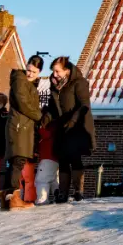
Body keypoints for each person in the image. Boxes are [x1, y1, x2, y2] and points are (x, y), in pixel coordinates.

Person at [49, 56, 96, 202]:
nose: (54, 74)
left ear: (67, 70)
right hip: (61, 127)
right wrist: (54, 91)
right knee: (63, 159)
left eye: (57, 71)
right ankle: (63, 192)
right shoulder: (57, 87)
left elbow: (84, 105)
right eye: (53, 72)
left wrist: (73, 120)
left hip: (76, 127)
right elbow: (54, 108)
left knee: (75, 158)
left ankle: (78, 191)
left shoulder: (79, 83)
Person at [2, 55, 43, 210]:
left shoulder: (29, 85)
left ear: (39, 72)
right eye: (29, 70)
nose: (30, 74)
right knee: (17, 161)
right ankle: (13, 200)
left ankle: (7, 200)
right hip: (19, 127)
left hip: (23, 127)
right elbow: (22, 103)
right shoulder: (20, 80)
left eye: (34, 72)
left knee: (15, 163)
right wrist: (39, 116)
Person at [35, 109, 60, 204]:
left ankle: (42, 200)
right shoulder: (56, 129)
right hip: (55, 160)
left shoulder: (47, 130)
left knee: (42, 179)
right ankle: (57, 193)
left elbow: (45, 135)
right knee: (52, 179)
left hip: (47, 159)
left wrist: (40, 128)